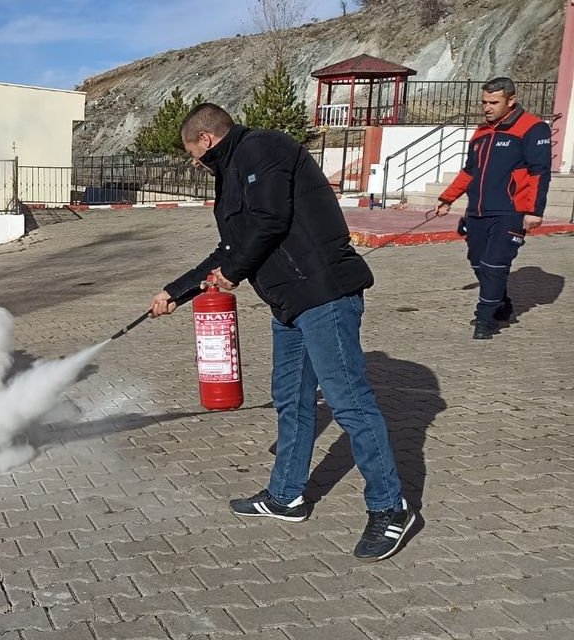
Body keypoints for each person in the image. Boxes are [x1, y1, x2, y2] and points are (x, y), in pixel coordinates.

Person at [148, 104, 415, 562]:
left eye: (193, 152)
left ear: (206, 139)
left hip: (324, 294)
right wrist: (178, 291)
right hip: (290, 303)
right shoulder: (232, 172)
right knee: (291, 398)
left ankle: (391, 508)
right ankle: (285, 497)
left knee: (349, 402)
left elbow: (269, 220)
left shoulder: (263, 149)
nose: (194, 162)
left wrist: (232, 272)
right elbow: (231, 245)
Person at [435, 77, 551, 339]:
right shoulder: (481, 132)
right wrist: (447, 198)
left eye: (493, 102)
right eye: (484, 102)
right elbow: (469, 172)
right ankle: (500, 301)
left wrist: (535, 210)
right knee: (478, 263)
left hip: (510, 211)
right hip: (477, 211)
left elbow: (539, 172)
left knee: (494, 264)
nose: (487, 107)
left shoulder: (532, 128)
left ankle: (484, 319)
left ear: (511, 101)